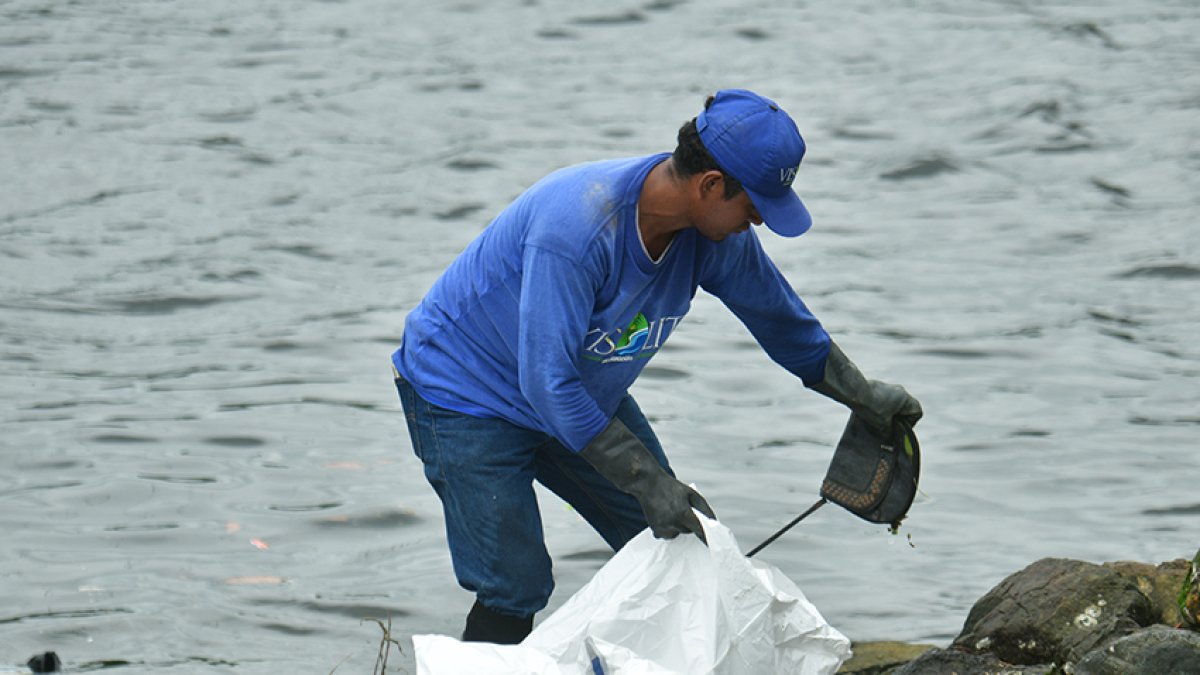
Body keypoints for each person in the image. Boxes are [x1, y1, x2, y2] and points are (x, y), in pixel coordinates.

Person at [391, 89, 922, 645]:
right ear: (710, 185)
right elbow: (546, 383)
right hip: (466, 394)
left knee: (681, 544)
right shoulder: (577, 228)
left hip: (576, 388)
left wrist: (861, 394)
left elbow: (780, 321)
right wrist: (646, 479)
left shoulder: (714, 235)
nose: (759, 222)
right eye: (755, 207)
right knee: (515, 585)